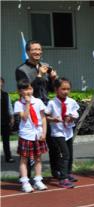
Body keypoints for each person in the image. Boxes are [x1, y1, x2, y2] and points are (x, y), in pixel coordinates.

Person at [15, 40, 59, 178]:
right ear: (28, 52)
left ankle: (56, 172)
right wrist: (39, 75)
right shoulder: (21, 70)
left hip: (45, 106)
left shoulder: (45, 66)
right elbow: (26, 90)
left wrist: (53, 79)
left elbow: (51, 90)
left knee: (53, 141)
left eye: (39, 49)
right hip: (30, 107)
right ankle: (26, 176)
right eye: (34, 49)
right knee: (29, 144)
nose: (37, 52)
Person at [14, 79, 48, 193]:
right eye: (25, 89)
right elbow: (24, 117)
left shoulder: (38, 101)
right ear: (19, 91)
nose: (28, 91)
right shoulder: (18, 103)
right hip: (26, 134)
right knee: (24, 159)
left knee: (38, 158)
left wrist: (44, 132)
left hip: (38, 133)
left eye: (30, 88)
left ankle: (38, 180)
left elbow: (43, 118)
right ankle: (25, 182)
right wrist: (27, 103)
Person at [45, 78, 80, 188]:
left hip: (68, 131)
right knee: (64, 154)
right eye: (63, 89)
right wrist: (52, 119)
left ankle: (68, 172)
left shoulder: (71, 102)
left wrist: (71, 117)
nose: (66, 91)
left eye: (68, 89)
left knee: (70, 152)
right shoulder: (52, 103)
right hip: (58, 132)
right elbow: (45, 116)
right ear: (56, 89)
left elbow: (76, 114)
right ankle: (62, 178)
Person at [1, 77, 15, 162]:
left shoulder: (6, 95)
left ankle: (8, 157)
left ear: (2, 83)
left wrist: (12, 117)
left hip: (4, 120)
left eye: (1, 82)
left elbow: (10, 107)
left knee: (6, 140)